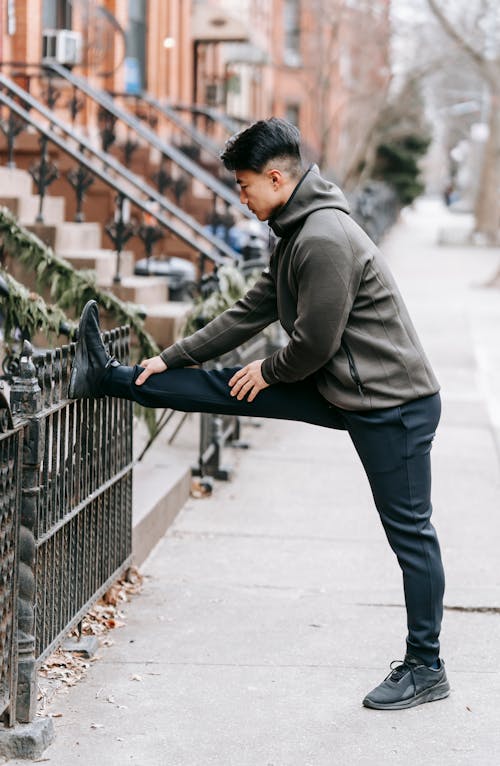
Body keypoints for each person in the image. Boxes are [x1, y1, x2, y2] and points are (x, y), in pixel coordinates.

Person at [69, 117, 449, 711]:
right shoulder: (295, 229)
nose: (240, 199)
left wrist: (268, 372)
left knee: (410, 534)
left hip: (391, 404)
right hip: (345, 387)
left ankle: (427, 667)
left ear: (277, 178)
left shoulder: (323, 238)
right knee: (226, 389)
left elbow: (316, 342)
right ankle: (109, 378)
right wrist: (171, 357)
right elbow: (252, 311)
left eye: (245, 186)